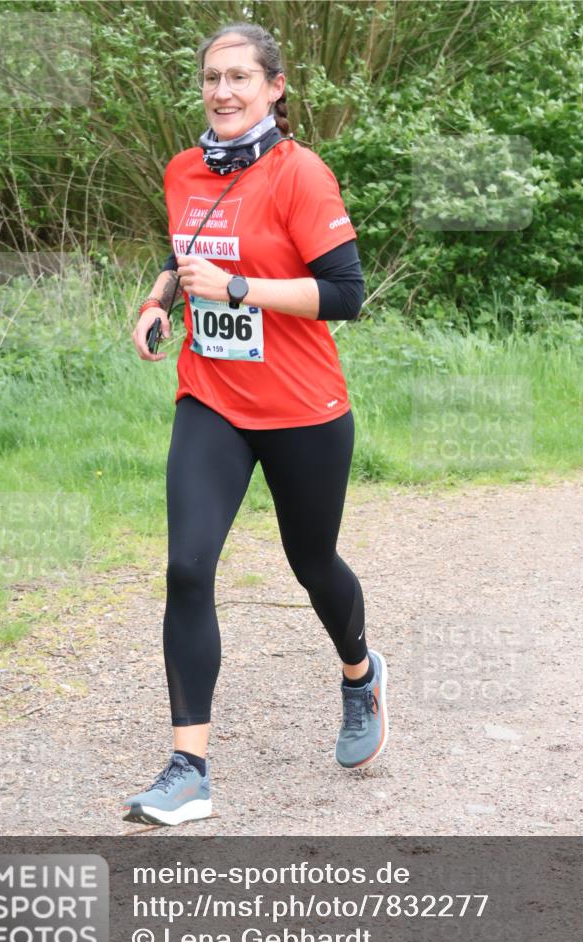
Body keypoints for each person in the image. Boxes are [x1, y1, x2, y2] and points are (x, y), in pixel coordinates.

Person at [124, 21, 388, 826]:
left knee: (312, 564)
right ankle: (188, 768)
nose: (223, 91)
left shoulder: (301, 174)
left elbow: (347, 294)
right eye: (212, 77)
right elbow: (182, 251)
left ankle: (359, 675)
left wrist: (240, 291)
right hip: (211, 399)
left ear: (274, 87)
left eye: (241, 77)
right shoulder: (182, 171)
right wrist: (157, 301)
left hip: (304, 408)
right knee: (187, 567)